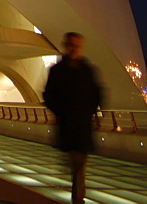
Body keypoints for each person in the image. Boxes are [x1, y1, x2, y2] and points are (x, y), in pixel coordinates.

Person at [44, 32, 103, 204]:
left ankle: (78, 199)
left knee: (79, 165)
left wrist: (90, 111)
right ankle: (77, 197)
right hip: (68, 125)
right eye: (71, 45)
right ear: (65, 45)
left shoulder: (88, 70)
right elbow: (48, 95)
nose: (74, 49)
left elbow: (97, 93)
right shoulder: (57, 71)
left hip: (82, 125)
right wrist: (61, 112)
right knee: (76, 165)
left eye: (77, 45)